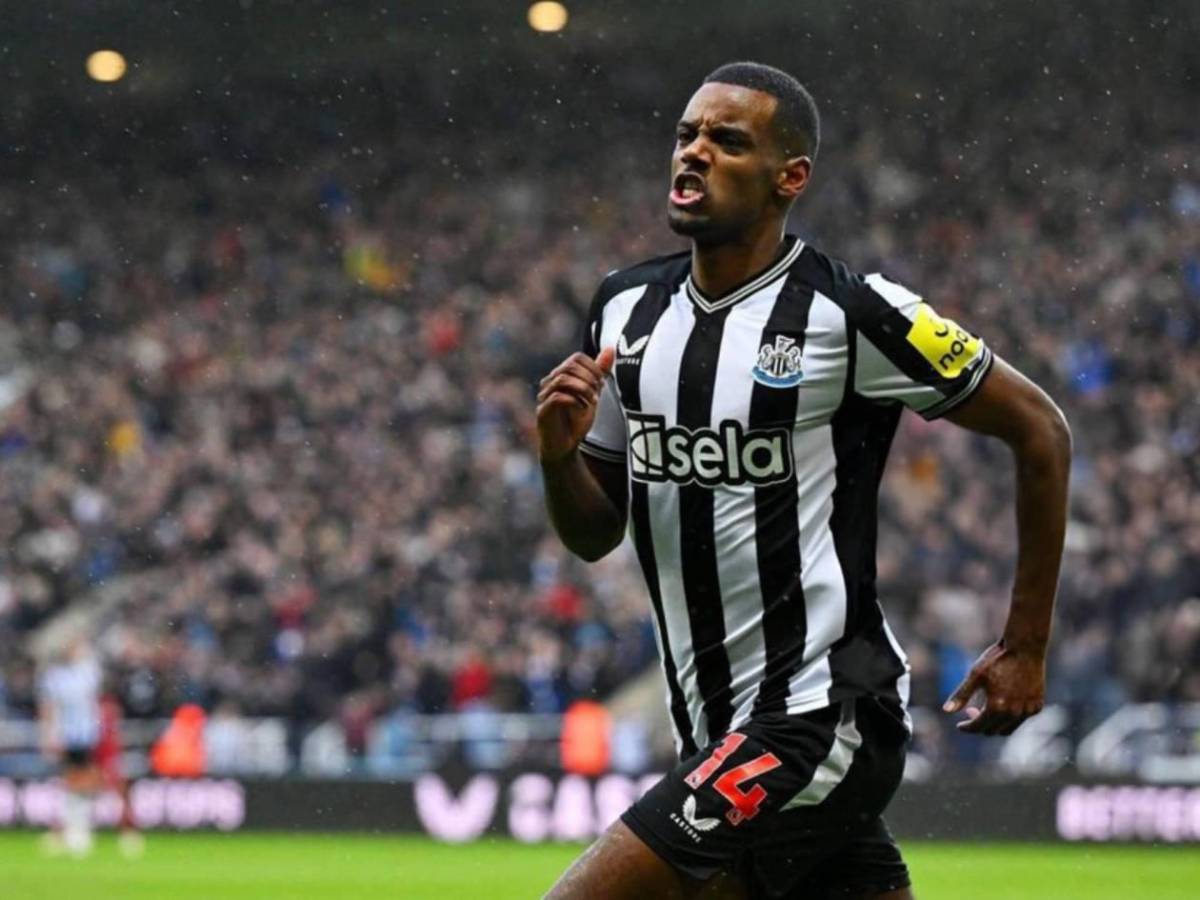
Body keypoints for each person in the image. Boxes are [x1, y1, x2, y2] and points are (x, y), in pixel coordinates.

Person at [536, 61, 1071, 899]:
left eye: (727, 140)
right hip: (715, 731)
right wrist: (557, 457)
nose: (694, 152)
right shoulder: (623, 310)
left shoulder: (852, 311)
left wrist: (1027, 645)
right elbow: (594, 533)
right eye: (686, 135)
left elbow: (1041, 429)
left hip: (822, 716)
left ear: (790, 177)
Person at [38, 636, 103, 856]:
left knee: (85, 780)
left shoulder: (87, 672)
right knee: (70, 781)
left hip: (87, 734)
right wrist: (48, 735)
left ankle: (79, 828)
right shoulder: (56, 676)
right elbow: (48, 708)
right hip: (66, 735)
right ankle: (71, 829)